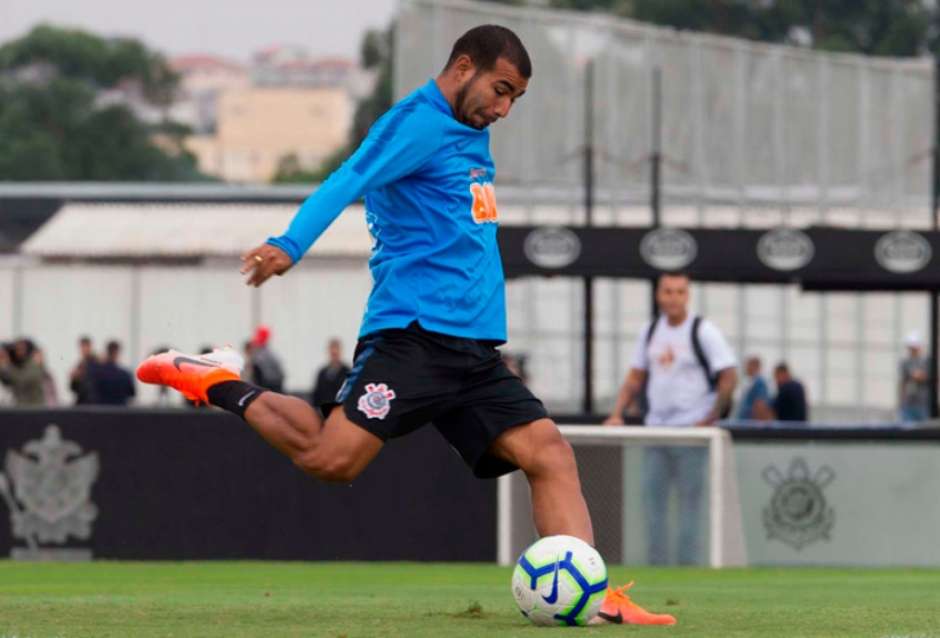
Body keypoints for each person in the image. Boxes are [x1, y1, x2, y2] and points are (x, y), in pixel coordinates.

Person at [136, 25, 673, 626]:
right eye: (500, 90)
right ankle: (217, 380)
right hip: (413, 337)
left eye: (515, 99)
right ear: (464, 66)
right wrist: (290, 242)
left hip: (474, 352)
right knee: (331, 459)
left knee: (549, 453)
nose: (503, 109)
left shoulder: (470, 129)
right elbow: (350, 177)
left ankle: (594, 599)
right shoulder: (415, 122)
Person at [604, 272, 737, 565]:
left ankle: (688, 565)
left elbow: (728, 375)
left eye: (679, 291)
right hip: (656, 433)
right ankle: (657, 565)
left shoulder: (703, 331)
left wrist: (710, 417)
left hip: (692, 435)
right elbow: (635, 376)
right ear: (658, 295)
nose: (673, 298)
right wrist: (616, 413)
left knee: (690, 504)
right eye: (667, 291)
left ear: (687, 295)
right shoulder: (650, 331)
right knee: (653, 503)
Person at [0, 338, 48, 406]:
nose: (18, 351)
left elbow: (20, 379)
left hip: (35, 408)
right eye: (16, 349)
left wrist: (5, 365)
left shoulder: (34, 365)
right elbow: (7, 382)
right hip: (21, 408)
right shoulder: (16, 366)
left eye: (21, 349)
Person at [90, 340, 136, 406]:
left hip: (102, 409)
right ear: (117, 353)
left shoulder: (97, 373)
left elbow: (92, 391)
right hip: (120, 409)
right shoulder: (125, 374)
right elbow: (132, 394)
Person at [311, 338, 350, 410]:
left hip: (341, 410)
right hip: (324, 410)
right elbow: (316, 395)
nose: (334, 355)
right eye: (332, 354)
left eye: (336, 353)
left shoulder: (348, 372)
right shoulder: (322, 373)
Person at [899, 332, 929, 423]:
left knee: (925, 427)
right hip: (908, 403)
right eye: (911, 348)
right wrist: (901, 402)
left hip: (923, 403)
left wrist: (918, 376)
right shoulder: (905, 362)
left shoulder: (926, 362)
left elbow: (926, 377)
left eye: (914, 347)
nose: (912, 350)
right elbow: (903, 382)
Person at [249, 325, 285, 393]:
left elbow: (257, 378)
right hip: (273, 387)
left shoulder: (259, 356)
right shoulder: (272, 354)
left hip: (267, 387)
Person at [736, 355, 772, 421]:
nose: (746, 368)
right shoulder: (752, 382)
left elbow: (760, 404)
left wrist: (757, 424)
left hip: (750, 423)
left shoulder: (759, 382)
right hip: (746, 422)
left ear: (755, 366)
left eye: (748, 365)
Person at [69, 335, 98, 405]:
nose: (84, 349)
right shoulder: (80, 365)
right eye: (82, 347)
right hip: (83, 403)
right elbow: (74, 388)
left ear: (90, 347)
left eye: (86, 346)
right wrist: (74, 379)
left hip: (92, 403)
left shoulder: (96, 363)